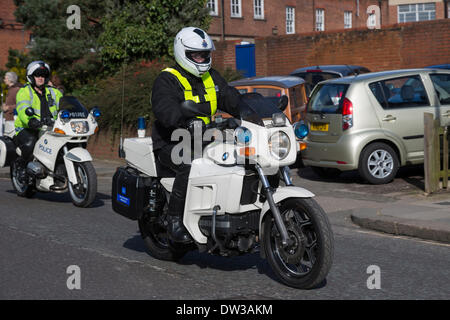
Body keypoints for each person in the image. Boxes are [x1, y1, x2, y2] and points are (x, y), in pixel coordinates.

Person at [151, 27, 241, 243]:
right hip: (171, 141)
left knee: (241, 156)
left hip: (205, 137)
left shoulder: (212, 77)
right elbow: (165, 108)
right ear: (183, 53)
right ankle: (174, 221)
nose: (202, 59)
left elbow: (231, 97)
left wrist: (252, 111)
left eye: (205, 54)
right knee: (188, 163)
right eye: (196, 55)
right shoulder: (167, 79)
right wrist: (184, 122)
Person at [14, 61, 63, 161]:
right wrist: (30, 120)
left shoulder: (54, 92)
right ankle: (23, 167)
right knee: (30, 143)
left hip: (49, 127)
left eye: (43, 75)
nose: (41, 78)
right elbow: (23, 109)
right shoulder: (24, 91)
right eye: (37, 75)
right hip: (27, 127)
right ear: (31, 76)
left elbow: (65, 105)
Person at [2, 71, 21, 137]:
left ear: (10, 79)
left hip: (13, 120)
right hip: (8, 119)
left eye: (5, 78)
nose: (4, 80)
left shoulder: (16, 90)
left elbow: (20, 104)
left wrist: (8, 108)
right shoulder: (10, 89)